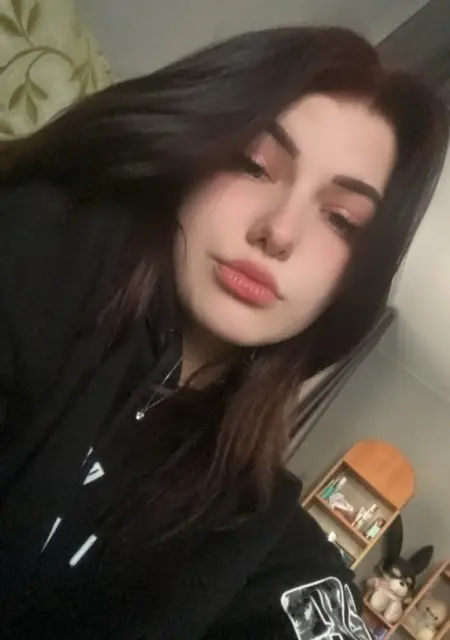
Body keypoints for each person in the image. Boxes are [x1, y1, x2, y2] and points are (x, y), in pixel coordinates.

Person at [0, 25, 447, 640]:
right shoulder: (50, 247)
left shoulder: (258, 534)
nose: (279, 231)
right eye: (254, 165)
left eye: (342, 220)